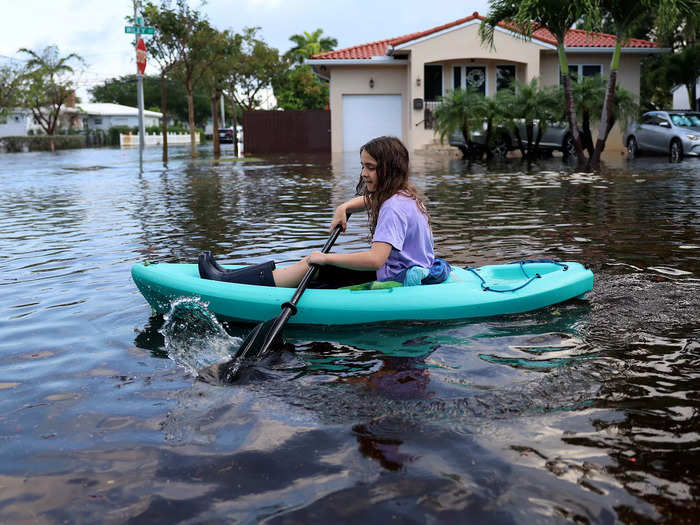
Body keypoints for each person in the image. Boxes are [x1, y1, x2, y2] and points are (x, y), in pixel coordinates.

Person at [199, 136, 449, 288]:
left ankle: (228, 284)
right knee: (313, 263)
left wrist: (326, 258)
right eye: (363, 166)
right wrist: (345, 206)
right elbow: (370, 200)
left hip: (397, 278)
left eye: (370, 168)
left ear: (389, 171)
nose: (364, 173)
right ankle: (231, 276)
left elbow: (375, 260)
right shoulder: (403, 195)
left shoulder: (393, 207)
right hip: (409, 268)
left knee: (313, 264)